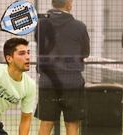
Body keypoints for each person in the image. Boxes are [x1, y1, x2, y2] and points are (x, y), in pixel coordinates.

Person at [34, 0, 90, 135]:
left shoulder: (41, 24)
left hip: (48, 82)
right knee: (72, 124)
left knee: (46, 123)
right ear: (69, 3)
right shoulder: (79, 27)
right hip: (72, 83)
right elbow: (85, 52)